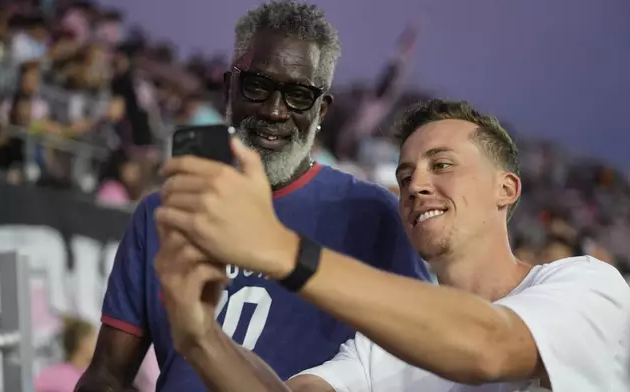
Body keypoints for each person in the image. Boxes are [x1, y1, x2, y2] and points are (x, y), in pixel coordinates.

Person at [154, 99, 630, 392]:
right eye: (405, 177)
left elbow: (489, 346)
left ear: (506, 189)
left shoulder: (588, 285)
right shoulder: (384, 347)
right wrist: (200, 336)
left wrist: (282, 249)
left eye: (441, 164)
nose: (416, 184)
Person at [76, 1, 429, 391]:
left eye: (298, 95)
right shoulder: (162, 212)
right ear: (229, 87)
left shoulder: (374, 216)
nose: (274, 111)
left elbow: (421, 356)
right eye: (257, 86)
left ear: (322, 110)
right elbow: (107, 373)